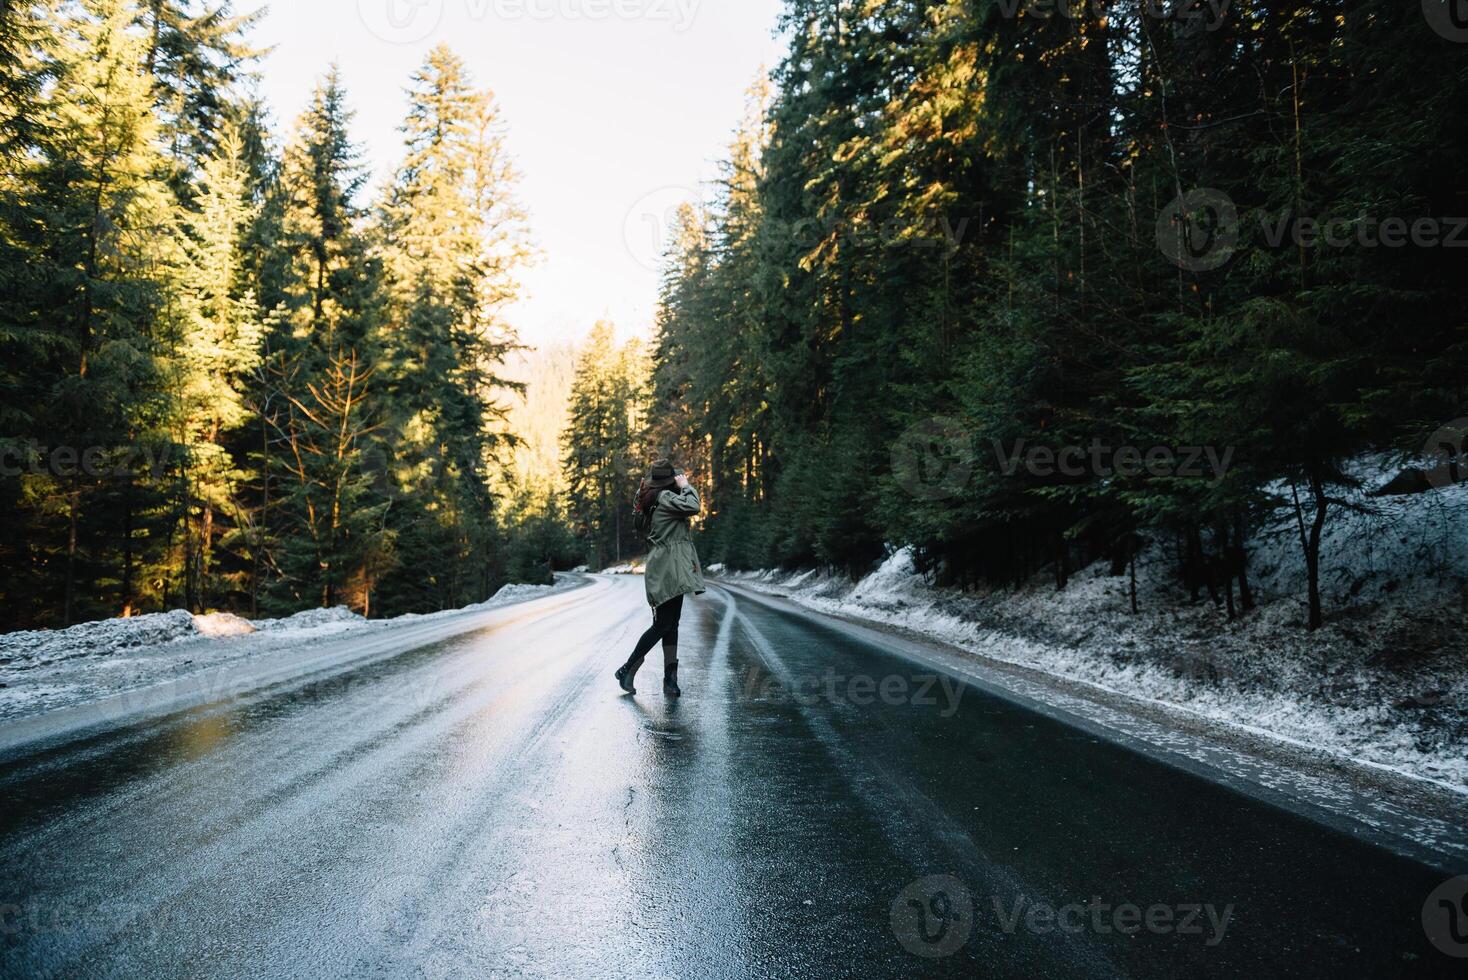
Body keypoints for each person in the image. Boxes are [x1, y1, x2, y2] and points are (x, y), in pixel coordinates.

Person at [615, 460, 706, 697]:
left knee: (671, 623)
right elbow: (694, 505)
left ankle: (670, 680)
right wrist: (685, 486)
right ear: (668, 482)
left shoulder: (651, 499)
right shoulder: (665, 498)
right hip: (668, 568)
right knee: (663, 624)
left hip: (670, 566)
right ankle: (627, 668)